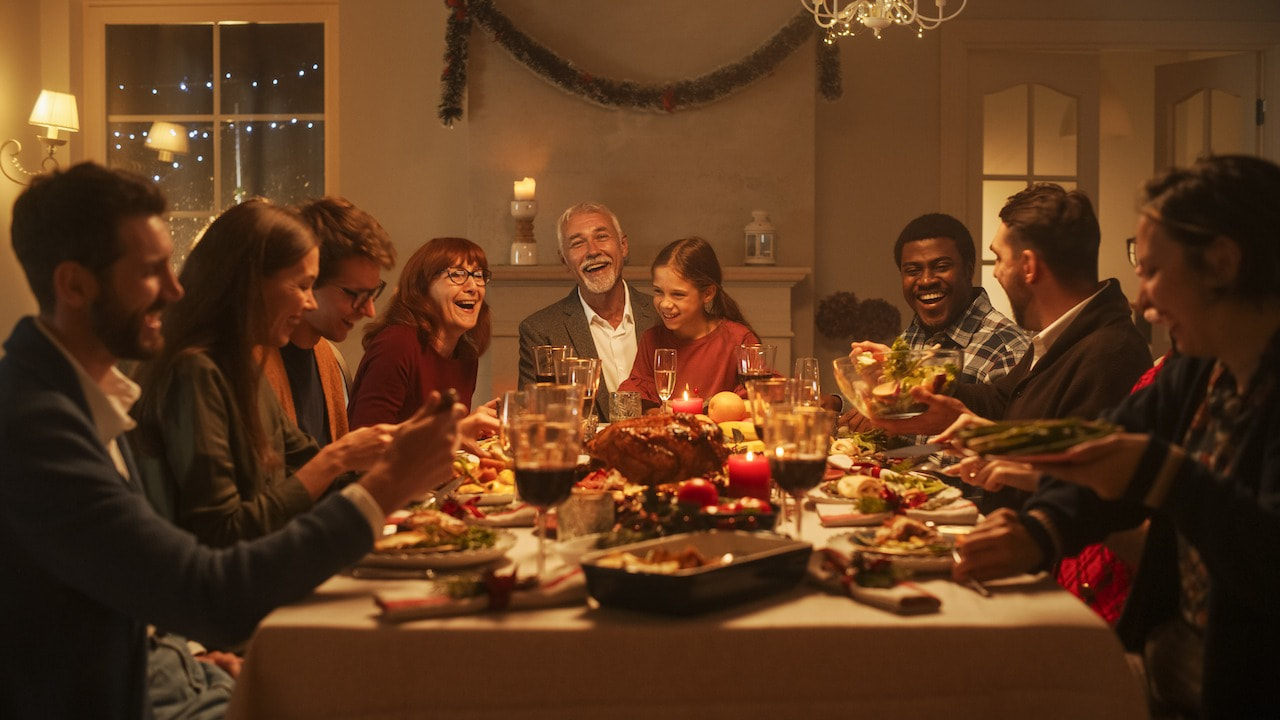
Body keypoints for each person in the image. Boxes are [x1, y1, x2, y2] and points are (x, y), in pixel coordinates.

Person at [0, 162, 460, 719]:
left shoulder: (86, 398)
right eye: (152, 271)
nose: (175, 289)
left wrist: (184, 658)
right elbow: (210, 589)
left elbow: (129, 591)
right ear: (74, 284)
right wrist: (385, 486)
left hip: (171, 665)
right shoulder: (35, 426)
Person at [951, 155, 1280, 719]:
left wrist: (1164, 475)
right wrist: (1039, 530)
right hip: (1169, 666)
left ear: (1222, 263)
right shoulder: (1199, 368)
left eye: (1152, 271)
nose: (1144, 302)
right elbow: (1109, 443)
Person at [863, 184, 1152, 513]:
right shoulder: (1057, 338)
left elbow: (1086, 492)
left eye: (999, 259)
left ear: (1028, 265)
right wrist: (918, 382)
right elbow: (1002, 400)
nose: (997, 273)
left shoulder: (1109, 353)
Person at [131, 200, 400, 548]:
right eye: (302, 286)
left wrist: (411, 463)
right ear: (249, 282)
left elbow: (318, 474)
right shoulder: (194, 370)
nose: (309, 303)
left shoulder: (241, 364)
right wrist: (338, 458)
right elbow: (222, 532)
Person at [262, 196, 397, 447]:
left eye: (373, 293)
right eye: (355, 295)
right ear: (310, 279)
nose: (369, 310)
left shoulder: (326, 357)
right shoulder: (255, 363)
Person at [347, 237, 499, 442]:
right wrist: (456, 432)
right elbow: (364, 445)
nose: (473, 286)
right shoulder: (397, 344)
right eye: (457, 274)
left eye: (479, 275)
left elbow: (440, 445)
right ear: (422, 288)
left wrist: (473, 427)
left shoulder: (465, 357)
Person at [518, 201, 660, 420]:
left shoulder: (663, 315)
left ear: (623, 246)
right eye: (577, 243)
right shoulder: (540, 331)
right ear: (564, 260)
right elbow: (534, 418)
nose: (593, 251)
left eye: (602, 237)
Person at [619, 236, 760, 409]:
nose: (665, 304)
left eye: (678, 294)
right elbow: (639, 405)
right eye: (658, 291)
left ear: (707, 294)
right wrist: (657, 412)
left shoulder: (739, 340)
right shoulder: (651, 340)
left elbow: (757, 403)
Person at [895, 212, 1029, 384]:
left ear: (969, 269)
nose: (926, 280)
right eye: (913, 271)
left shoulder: (1009, 350)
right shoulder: (909, 338)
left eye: (941, 267)